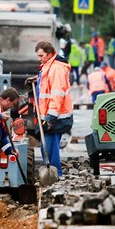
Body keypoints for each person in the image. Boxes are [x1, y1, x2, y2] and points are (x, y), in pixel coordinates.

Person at [30, 41, 73, 176]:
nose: (39, 59)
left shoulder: (57, 68)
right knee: (46, 148)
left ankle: (55, 175)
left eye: (41, 55)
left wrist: (51, 117)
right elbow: (47, 84)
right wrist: (37, 79)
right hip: (48, 115)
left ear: (49, 54)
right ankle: (52, 174)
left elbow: (57, 94)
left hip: (55, 116)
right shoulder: (48, 65)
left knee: (49, 149)